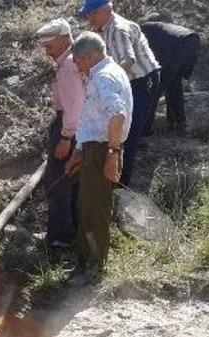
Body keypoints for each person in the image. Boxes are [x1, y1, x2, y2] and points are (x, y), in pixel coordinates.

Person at [65, 32, 132, 281]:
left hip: (103, 150)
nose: (76, 64)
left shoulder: (105, 77)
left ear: (91, 55)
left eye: (79, 60)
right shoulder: (101, 74)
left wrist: (112, 154)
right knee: (87, 208)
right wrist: (79, 151)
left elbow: (118, 115)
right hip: (94, 149)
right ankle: (84, 265)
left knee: (94, 212)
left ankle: (93, 270)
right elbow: (94, 120)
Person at [80, 0, 159, 187]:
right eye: (88, 15)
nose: (90, 19)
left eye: (93, 14)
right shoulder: (106, 29)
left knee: (128, 132)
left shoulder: (117, 29)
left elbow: (128, 59)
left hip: (142, 80)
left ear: (105, 10)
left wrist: (105, 77)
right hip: (131, 80)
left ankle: (122, 184)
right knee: (125, 126)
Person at [35, 18, 86, 248]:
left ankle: (59, 238)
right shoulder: (76, 60)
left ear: (65, 39)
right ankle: (72, 230)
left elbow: (73, 107)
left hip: (70, 127)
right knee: (73, 180)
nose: (47, 53)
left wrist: (65, 138)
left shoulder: (68, 67)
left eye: (50, 46)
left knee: (57, 182)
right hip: (79, 126)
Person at [141, 22, 201, 134]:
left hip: (180, 46)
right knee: (174, 83)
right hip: (194, 41)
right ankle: (178, 122)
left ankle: (144, 129)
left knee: (155, 89)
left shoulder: (141, 31)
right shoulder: (156, 28)